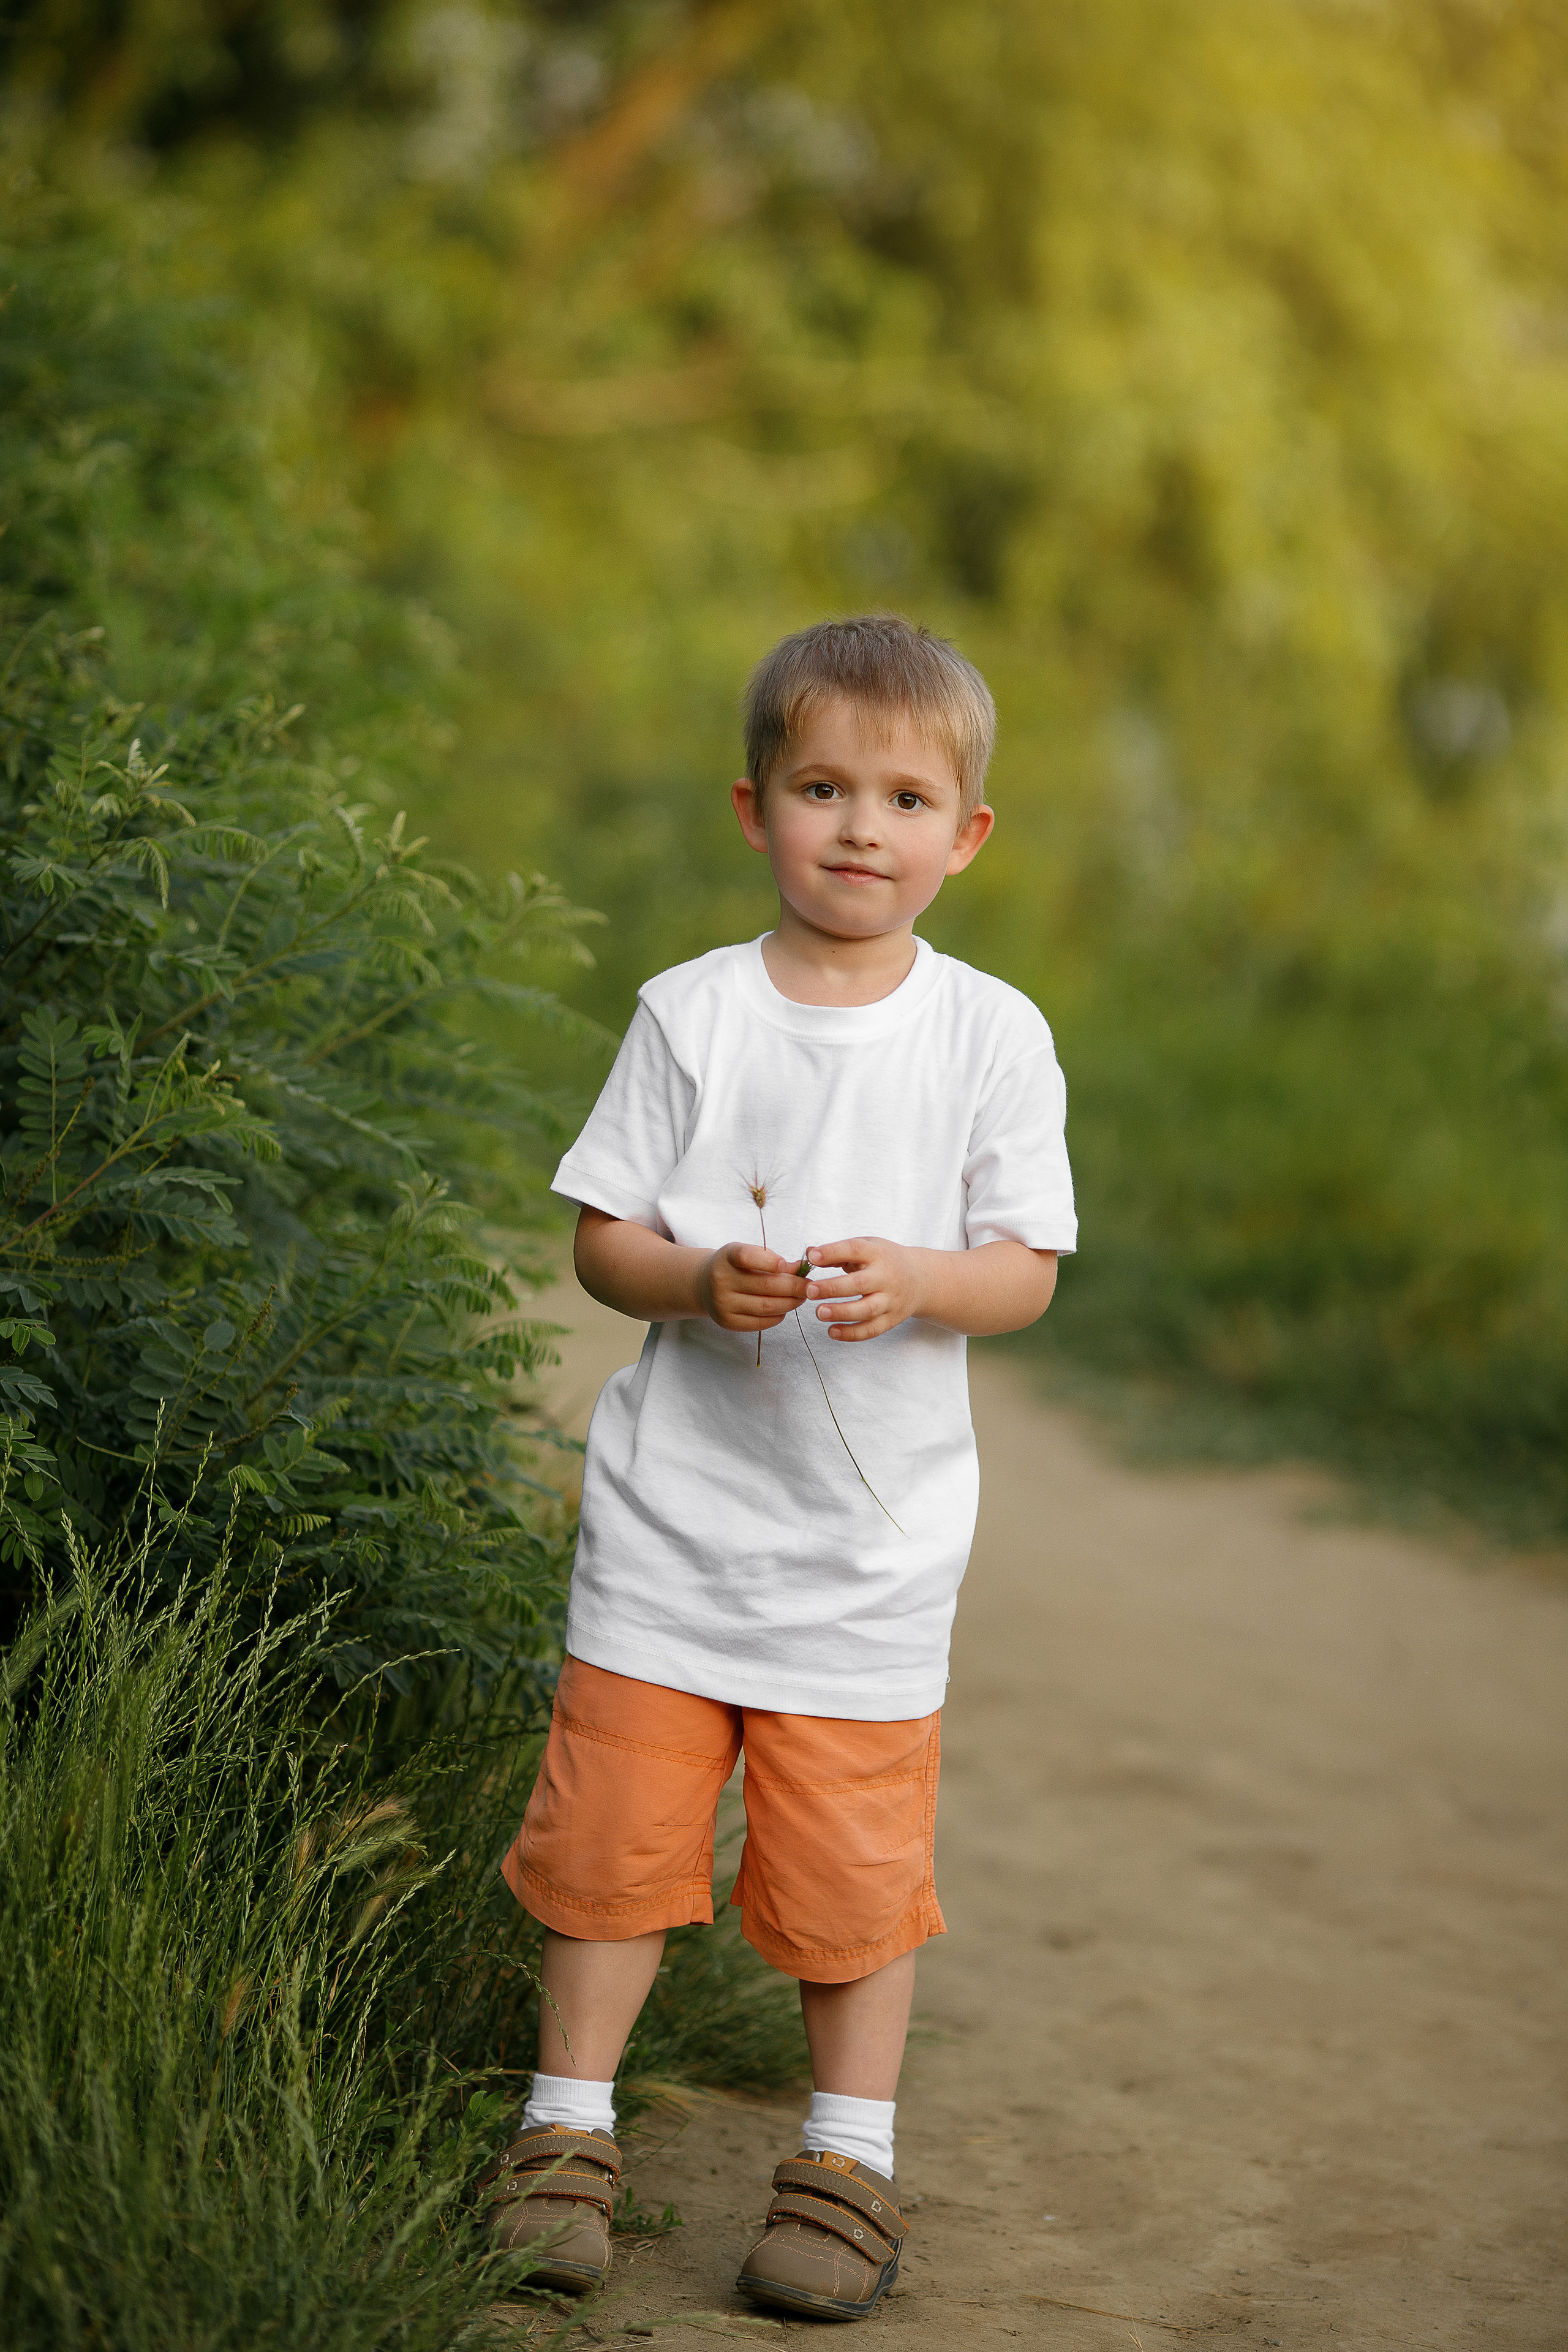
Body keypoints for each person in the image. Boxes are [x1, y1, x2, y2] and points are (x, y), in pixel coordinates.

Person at [475, 614, 1077, 2321]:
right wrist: (687, 1276)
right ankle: (566, 2127)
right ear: (757, 810)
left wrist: (924, 1282)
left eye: (903, 798)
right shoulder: (693, 1015)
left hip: (866, 1562)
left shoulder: (989, 1038)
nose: (859, 828)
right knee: (612, 1841)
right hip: (675, 1536)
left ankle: (845, 2159)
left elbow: (1024, 1270)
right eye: (824, 788)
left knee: (851, 1876)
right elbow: (604, 1241)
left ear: (964, 837)